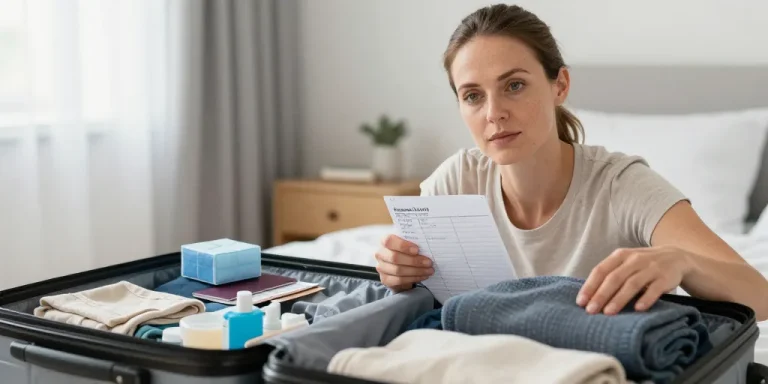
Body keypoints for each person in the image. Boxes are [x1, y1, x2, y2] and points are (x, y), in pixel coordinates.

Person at [374, 4, 768, 321]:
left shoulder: (622, 186)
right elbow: (425, 302)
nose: (494, 113)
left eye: (514, 85)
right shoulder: (455, 182)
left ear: (559, 85)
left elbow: (761, 297)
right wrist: (398, 271)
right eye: (473, 95)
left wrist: (682, 262)